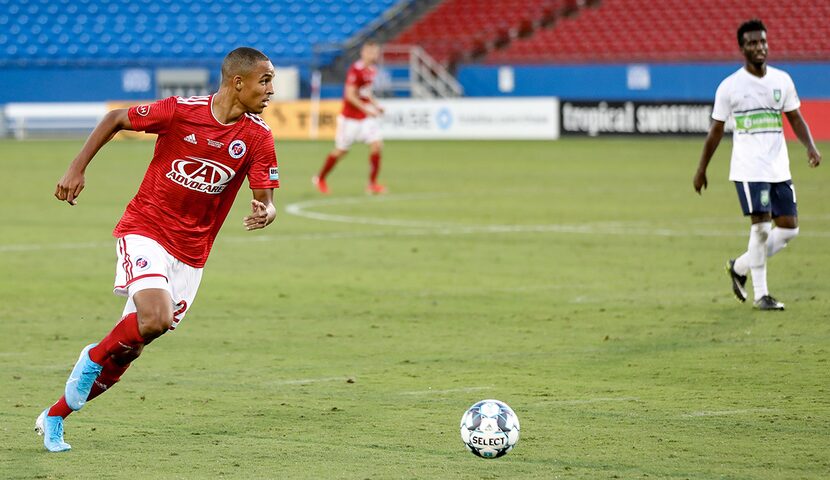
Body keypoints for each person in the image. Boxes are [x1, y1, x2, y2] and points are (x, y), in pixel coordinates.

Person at [36, 47, 281, 452]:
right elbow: (115, 118)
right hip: (146, 228)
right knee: (154, 318)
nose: (271, 89)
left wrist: (265, 211)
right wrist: (77, 168)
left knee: (131, 348)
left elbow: (266, 198)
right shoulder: (180, 112)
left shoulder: (258, 136)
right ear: (238, 82)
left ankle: (56, 415)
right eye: (266, 80)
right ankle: (92, 356)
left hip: (192, 254)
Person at [694, 19, 821, 310]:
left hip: (779, 167)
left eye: (762, 41)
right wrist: (702, 169)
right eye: (752, 43)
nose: (759, 47)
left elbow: (795, 118)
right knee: (762, 227)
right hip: (749, 169)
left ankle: (739, 266)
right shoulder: (730, 87)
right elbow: (715, 131)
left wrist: (810, 146)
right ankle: (761, 295)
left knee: (789, 229)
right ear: (742, 48)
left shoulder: (782, 80)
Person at [313, 40, 386, 195]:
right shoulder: (356, 70)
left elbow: (366, 93)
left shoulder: (372, 70)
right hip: (350, 118)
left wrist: (376, 105)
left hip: (365, 118)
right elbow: (350, 96)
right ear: (363, 53)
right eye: (370, 52)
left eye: (375, 52)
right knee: (341, 151)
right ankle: (320, 178)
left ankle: (372, 184)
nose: (373, 55)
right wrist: (368, 109)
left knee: (377, 145)